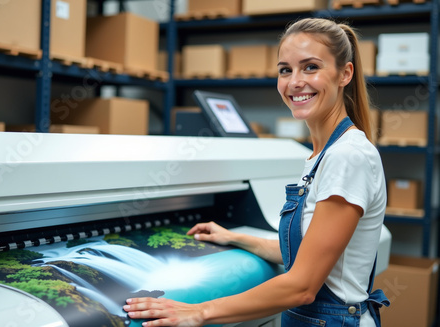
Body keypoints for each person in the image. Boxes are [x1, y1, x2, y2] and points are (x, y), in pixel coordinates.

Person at [123, 17, 390, 327]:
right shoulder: (323, 154)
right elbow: (308, 252)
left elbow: (302, 286)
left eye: (311, 67)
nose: (294, 82)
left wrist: (198, 311)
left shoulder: (347, 156)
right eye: (285, 70)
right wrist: (234, 237)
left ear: (345, 73)